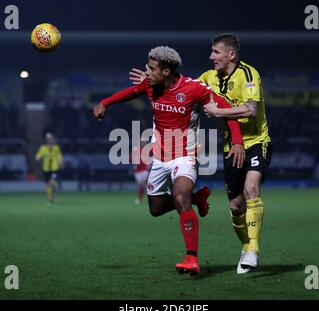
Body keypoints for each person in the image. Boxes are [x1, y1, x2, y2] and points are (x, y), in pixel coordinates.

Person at [93, 46, 245, 275]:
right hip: (161, 157)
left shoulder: (194, 89)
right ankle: (198, 198)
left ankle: (191, 258)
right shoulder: (150, 85)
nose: (147, 72)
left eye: (151, 68)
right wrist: (105, 102)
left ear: (166, 71)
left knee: (180, 196)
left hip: (185, 154)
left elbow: (225, 109)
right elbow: (131, 93)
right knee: (155, 209)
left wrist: (236, 141)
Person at [129, 34, 272, 274]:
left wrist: (219, 113)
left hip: (256, 140)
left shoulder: (248, 74)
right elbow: (181, 86)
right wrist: (154, 78)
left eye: (216, 52)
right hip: (229, 146)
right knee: (236, 205)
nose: (211, 56)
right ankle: (246, 245)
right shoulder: (208, 77)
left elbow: (251, 109)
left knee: (251, 189)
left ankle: (252, 250)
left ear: (231, 55)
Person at [35, 132, 63, 204]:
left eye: (51, 138)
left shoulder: (56, 148)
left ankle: (55, 191)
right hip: (46, 169)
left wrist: (60, 162)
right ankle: (51, 198)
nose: (49, 140)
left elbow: (59, 156)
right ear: (46, 140)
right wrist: (38, 158)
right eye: (48, 138)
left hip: (54, 168)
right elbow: (38, 155)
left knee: (52, 182)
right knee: (47, 185)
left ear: (53, 139)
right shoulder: (43, 148)